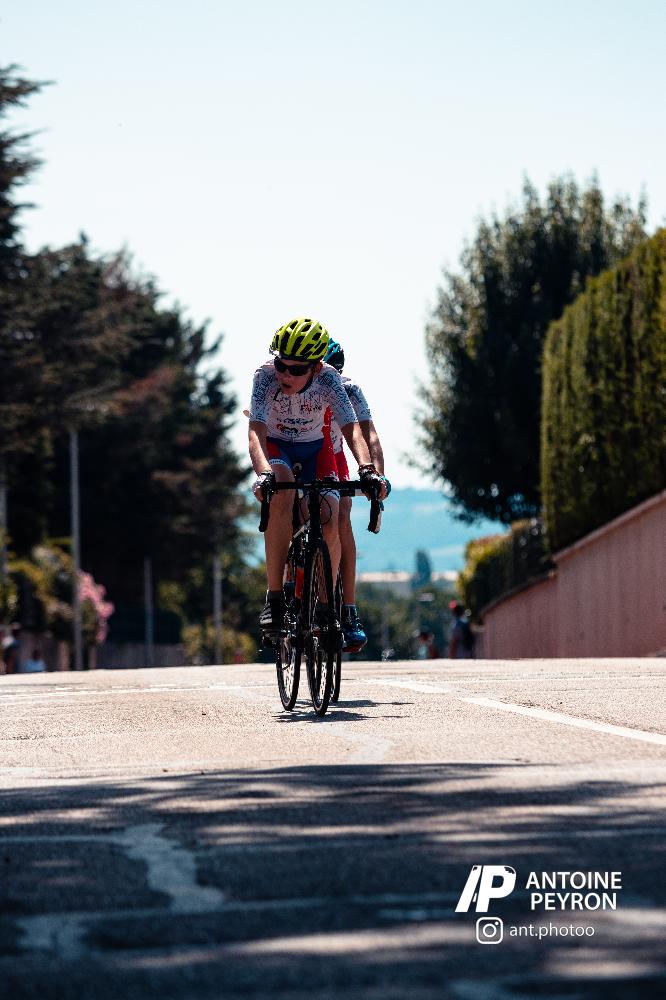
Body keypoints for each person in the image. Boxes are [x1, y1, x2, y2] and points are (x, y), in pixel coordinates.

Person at [248, 318, 386, 637]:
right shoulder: (264, 377)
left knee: (331, 517)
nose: (286, 375)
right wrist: (264, 473)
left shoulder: (331, 381)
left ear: (317, 368)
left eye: (297, 370)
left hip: (317, 449)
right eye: (282, 365)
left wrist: (367, 469)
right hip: (278, 445)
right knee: (282, 492)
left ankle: (327, 608)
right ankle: (275, 599)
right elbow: (255, 432)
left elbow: (354, 431)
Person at [324, 337, 387, 652]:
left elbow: (369, 435)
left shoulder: (349, 390)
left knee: (342, 516)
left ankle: (348, 611)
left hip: (334, 453)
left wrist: (376, 475)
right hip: (303, 451)